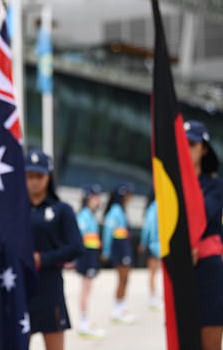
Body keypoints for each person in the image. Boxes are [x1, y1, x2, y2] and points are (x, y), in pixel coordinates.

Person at [24, 149, 83, 350]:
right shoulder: (16, 211)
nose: (34, 181)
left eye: (39, 176)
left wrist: (43, 259)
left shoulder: (62, 210)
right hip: (21, 287)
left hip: (50, 287)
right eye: (29, 176)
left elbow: (76, 247)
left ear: (48, 177)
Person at [184, 120, 223, 350]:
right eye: (181, 143)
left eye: (191, 143)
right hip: (181, 270)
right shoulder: (168, 186)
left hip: (209, 271)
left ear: (204, 148)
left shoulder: (216, 186)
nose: (186, 147)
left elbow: (200, 214)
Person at [75, 183, 107, 339]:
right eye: (95, 197)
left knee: (88, 290)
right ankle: (83, 323)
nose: (98, 201)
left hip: (91, 255)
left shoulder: (90, 215)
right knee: (85, 290)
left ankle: (85, 321)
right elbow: (79, 238)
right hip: (86, 256)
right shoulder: (84, 216)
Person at [102, 182, 136, 324]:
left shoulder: (121, 210)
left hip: (123, 246)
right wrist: (106, 251)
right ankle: (117, 309)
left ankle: (121, 306)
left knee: (126, 278)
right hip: (119, 247)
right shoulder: (116, 210)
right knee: (122, 278)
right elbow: (108, 232)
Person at [139, 195, 162, 310]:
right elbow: (148, 228)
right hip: (155, 243)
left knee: (155, 272)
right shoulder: (155, 207)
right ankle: (153, 297)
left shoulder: (154, 207)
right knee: (153, 272)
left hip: (156, 243)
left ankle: (154, 296)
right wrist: (145, 242)